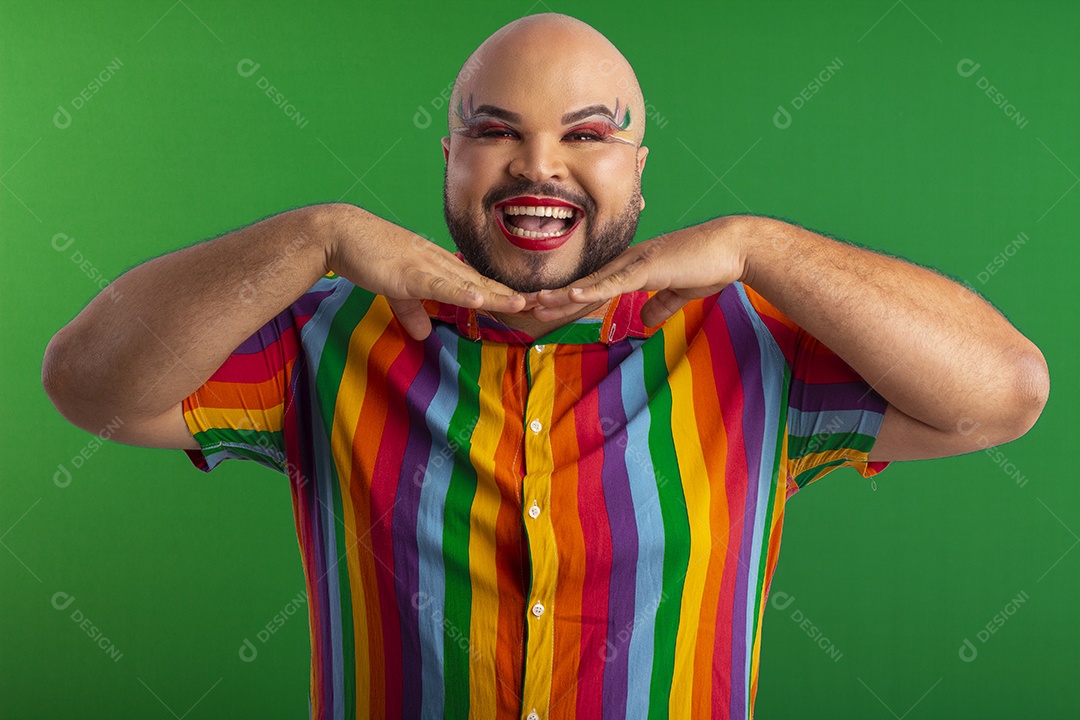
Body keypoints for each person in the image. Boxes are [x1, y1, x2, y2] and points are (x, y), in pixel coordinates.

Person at [42, 12, 1048, 720]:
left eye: (587, 136)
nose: (538, 166)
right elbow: (87, 384)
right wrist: (319, 233)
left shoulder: (750, 343)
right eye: (495, 133)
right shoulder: (325, 340)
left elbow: (1004, 393)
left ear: (639, 172)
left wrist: (758, 244)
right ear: (450, 159)